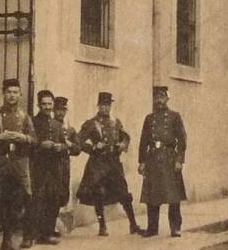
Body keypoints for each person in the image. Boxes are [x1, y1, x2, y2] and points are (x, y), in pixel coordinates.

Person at [75, 92, 141, 236]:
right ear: (98, 106)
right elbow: (78, 141)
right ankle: (102, 226)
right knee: (99, 194)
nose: (105, 108)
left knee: (124, 193)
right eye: (103, 105)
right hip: (98, 164)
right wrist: (93, 147)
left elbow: (126, 137)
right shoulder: (92, 123)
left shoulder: (115, 122)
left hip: (113, 163)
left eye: (108, 105)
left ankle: (133, 224)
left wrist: (123, 144)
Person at [0, 78, 36, 250]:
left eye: (15, 92)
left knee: (15, 206)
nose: (12, 95)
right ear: (3, 94)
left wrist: (24, 138)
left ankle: (7, 243)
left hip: (18, 166)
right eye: (9, 92)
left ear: (20, 94)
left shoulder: (24, 117)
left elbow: (34, 140)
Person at [138, 85, 187, 238]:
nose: (159, 100)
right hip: (153, 159)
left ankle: (175, 227)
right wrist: (142, 162)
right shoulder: (149, 118)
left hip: (169, 158)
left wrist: (179, 160)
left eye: (162, 97)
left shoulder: (174, 116)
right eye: (156, 97)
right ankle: (152, 228)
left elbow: (182, 140)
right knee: (152, 195)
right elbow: (143, 141)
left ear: (167, 98)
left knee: (173, 196)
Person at [30, 90, 67, 245]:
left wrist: (61, 147)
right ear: (38, 105)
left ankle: (48, 232)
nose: (47, 107)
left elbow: (66, 144)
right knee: (37, 200)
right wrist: (40, 145)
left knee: (53, 199)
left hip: (54, 168)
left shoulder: (57, 125)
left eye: (49, 104)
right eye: (44, 104)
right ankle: (34, 234)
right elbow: (28, 145)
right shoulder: (32, 122)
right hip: (38, 167)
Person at [52, 95, 82, 237]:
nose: (60, 113)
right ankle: (49, 227)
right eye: (57, 109)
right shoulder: (49, 125)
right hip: (49, 165)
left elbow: (77, 149)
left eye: (63, 110)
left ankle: (55, 226)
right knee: (50, 194)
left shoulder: (69, 130)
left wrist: (68, 144)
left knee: (62, 194)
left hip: (63, 165)